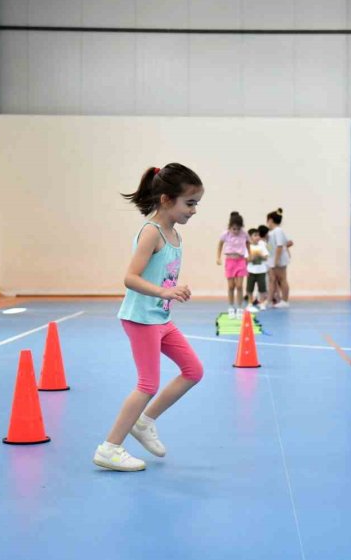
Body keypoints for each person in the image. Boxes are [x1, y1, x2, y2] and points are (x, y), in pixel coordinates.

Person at [94, 163, 205, 471]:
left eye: (196, 203)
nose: (194, 210)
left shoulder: (174, 234)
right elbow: (130, 278)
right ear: (166, 199)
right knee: (147, 384)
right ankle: (109, 448)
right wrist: (164, 292)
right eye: (190, 203)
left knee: (193, 370)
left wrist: (172, 292)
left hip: (160, 319)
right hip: (141, 319)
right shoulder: (151, 232)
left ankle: (144, 422)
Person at [217, 211, 251, 318]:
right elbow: (220, 244)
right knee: (231, 286)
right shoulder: (226, 234)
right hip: (230, 262)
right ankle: (231, 307)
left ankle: (240, 307)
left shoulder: (244, 234)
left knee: (239, 286)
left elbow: (248, 243)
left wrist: (249, 255)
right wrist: (218, 257)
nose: (236, 231)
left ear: (241, 227)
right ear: (230, 226)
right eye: (234, 229)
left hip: (241, 261)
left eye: (238, 229)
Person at [265, 208, 291, 308]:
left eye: (267, 220)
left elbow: (280, 246)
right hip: (273, 260)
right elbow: (286, 243)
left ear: (270, 220)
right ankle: (273, 300)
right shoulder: (271, 232)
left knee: (282, 279)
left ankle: (285, 301)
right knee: (273, 280)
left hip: (279, 261)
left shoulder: (278, 231)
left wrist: (276, 261)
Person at [244, 225, 270, 313]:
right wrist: (252, 258)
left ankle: (261, 303)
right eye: (255, 235)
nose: (258, 237)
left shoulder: (262, 244)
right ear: (249, 237)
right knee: (249, 288)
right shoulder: (247, 246)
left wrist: (260, 255)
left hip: (261, 271)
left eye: (258, 235)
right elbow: (246, 259)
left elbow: (266, 257)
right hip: (250, 271)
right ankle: (250, 303)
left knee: (262, 288)